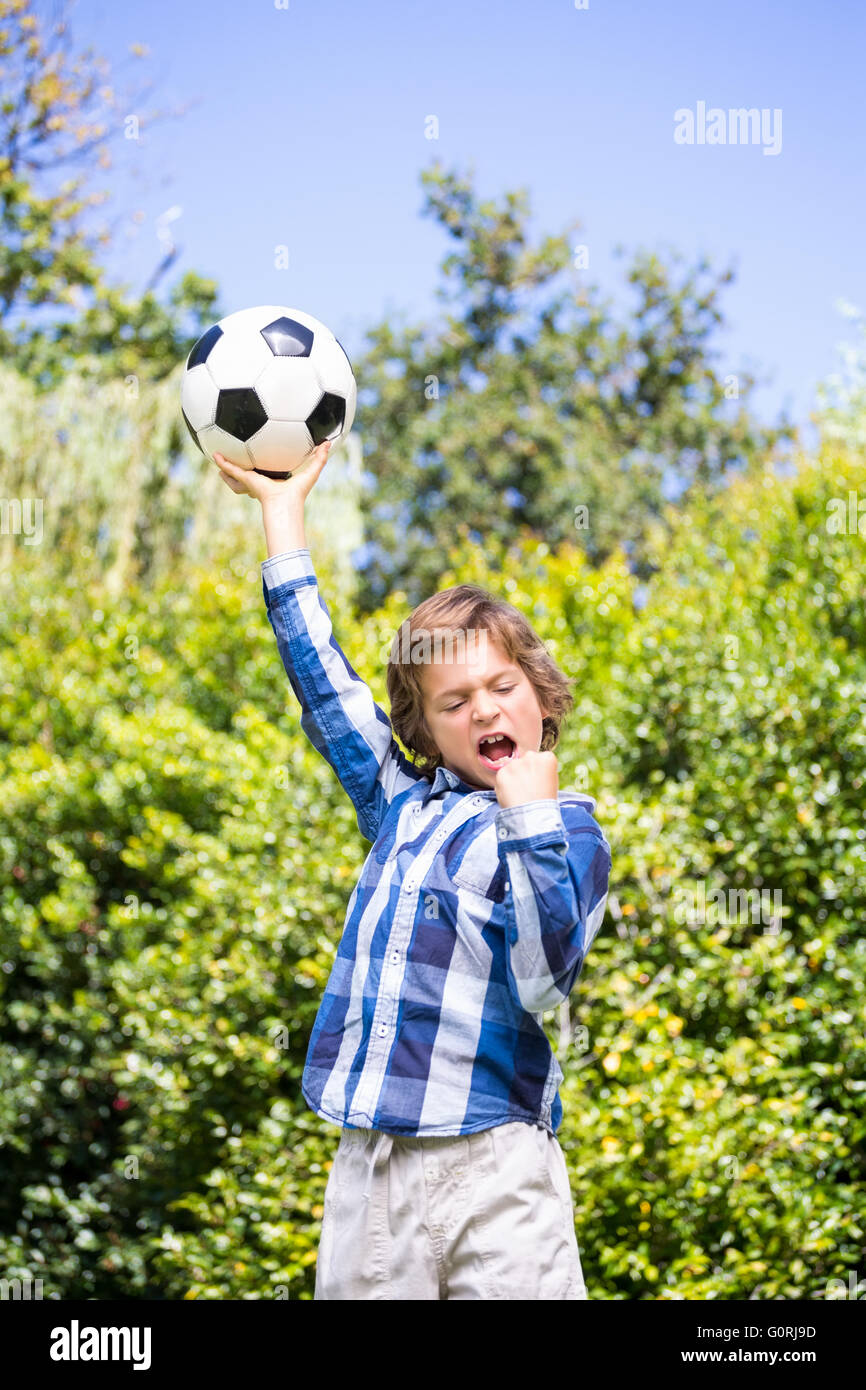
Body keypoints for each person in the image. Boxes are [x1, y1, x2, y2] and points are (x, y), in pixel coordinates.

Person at [215, 440, 612, 1301]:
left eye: (502, 688)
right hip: (375, 1169)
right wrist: (282, 516)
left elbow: (546, 983)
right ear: (426, 732)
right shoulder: (401, 802)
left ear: (540, 702)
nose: (483, 710)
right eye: (454, 703)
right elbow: (326, 689)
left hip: (497, 1168)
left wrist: (529, 817)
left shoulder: (569, 831)